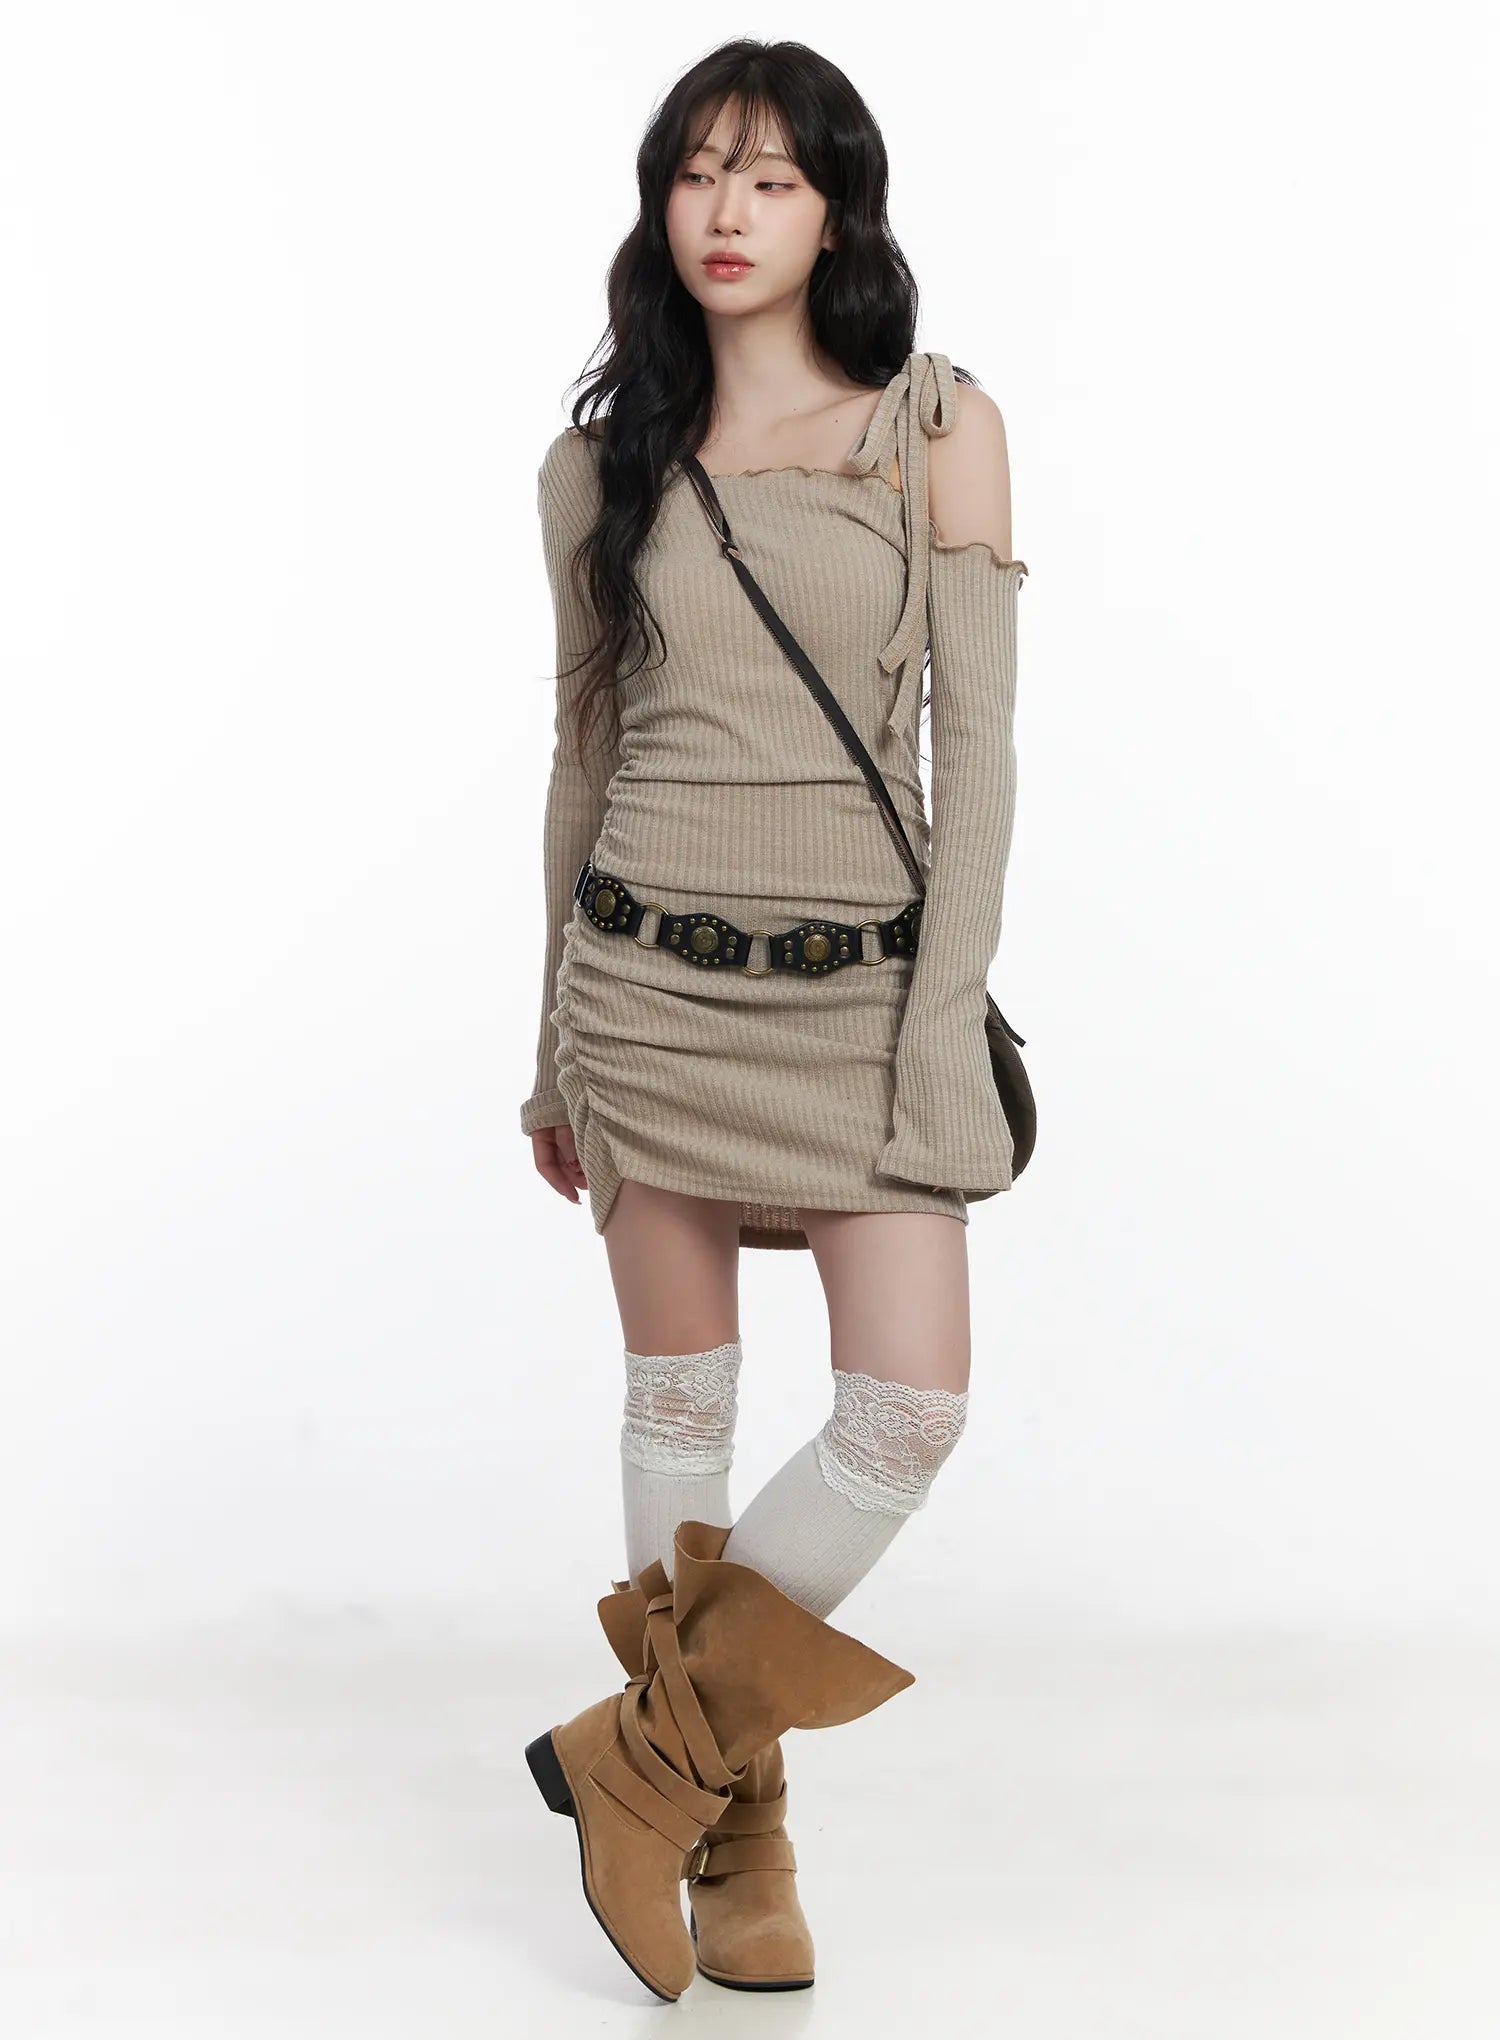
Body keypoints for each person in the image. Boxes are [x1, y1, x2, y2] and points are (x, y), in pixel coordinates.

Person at [519, 39, 1029, 2002]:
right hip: (643, 988)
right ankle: (737, 1829)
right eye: (698, 172)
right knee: (683, 1408)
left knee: (906, 1411)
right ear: (662, 201)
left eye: (773, 177)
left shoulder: (937, 428)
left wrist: (942, 1021)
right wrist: (549, 1045)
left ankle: (641, 1761)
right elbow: (582, 764)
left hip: (864, 1000)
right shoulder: (600, 467)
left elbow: (979, 760)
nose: (728, 212)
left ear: (837, 210)